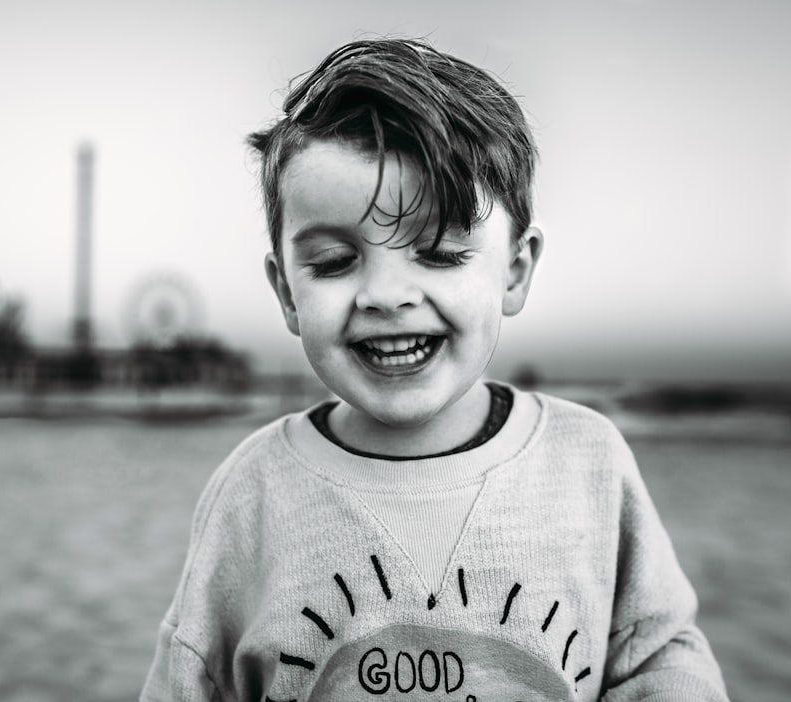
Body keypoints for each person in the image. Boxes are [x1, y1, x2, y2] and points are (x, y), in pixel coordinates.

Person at [141, 38, 728, 701]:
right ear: (285, 292)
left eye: (441, 251)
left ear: (515, 268)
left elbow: (661, 653)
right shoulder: (252, 492)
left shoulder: (588, 462)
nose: (386, 295)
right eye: (335, 261)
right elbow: (193, 678)